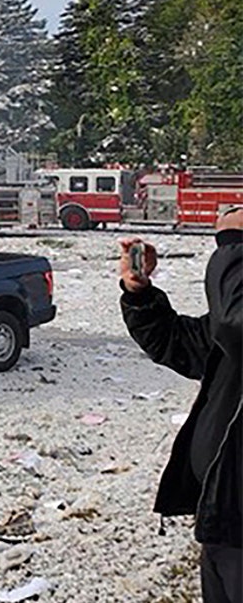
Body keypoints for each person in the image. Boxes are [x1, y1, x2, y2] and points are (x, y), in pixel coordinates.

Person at [119, 208, 241, 603]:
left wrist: (232, 245)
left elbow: (234, 324)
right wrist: (141, 294)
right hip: (225, 513)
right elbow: (186, 345)